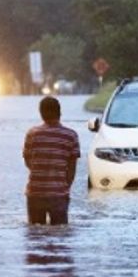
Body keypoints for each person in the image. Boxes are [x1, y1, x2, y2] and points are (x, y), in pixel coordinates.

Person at [23, 96, 80, 225]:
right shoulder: (71, 136)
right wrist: (64, 188)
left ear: (41, 114)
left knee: (35, 235)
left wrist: (42, 173)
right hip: (59, 194)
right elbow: (72, 169)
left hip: (35, 192)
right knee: (60, 234)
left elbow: (28, 162)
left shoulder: (32, 134)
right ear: (60, 113)